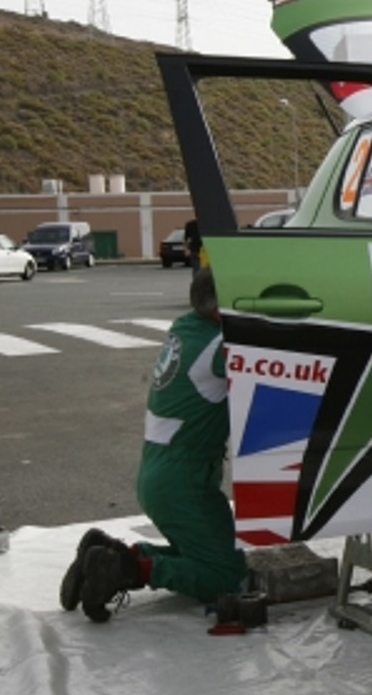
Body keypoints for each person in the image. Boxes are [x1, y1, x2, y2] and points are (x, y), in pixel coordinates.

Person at [61, 266, 248, 621]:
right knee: (227, 575)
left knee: (198, 554)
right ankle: (125, 569)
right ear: (221, 310)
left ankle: (107, 553)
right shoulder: (219, 347)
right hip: (185, 484)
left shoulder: (185, 328)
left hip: (161, 474)